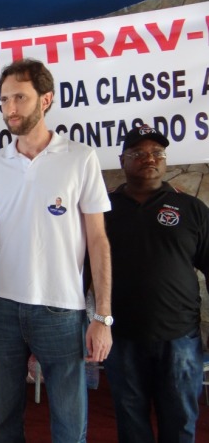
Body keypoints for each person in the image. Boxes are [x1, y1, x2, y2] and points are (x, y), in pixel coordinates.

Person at [0, 58, 113, 442]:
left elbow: (98, 240)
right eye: (4, 100)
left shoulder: (81, 158)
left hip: (61, 309)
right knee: (4, 424)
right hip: (3, 307)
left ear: (46, 99)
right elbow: (1, 227)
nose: (10, 108)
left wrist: (102, 317)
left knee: (69, 426)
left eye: (20, 97)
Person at [103, 124, 209, 443]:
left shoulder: (191, 209)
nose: (149, 158)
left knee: (180, 423)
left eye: (157, 153)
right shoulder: (102, 210)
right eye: (138, 153)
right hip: (121, 336)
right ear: (122, 160)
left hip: (180, 338)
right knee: (131, 425)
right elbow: (84, 271)